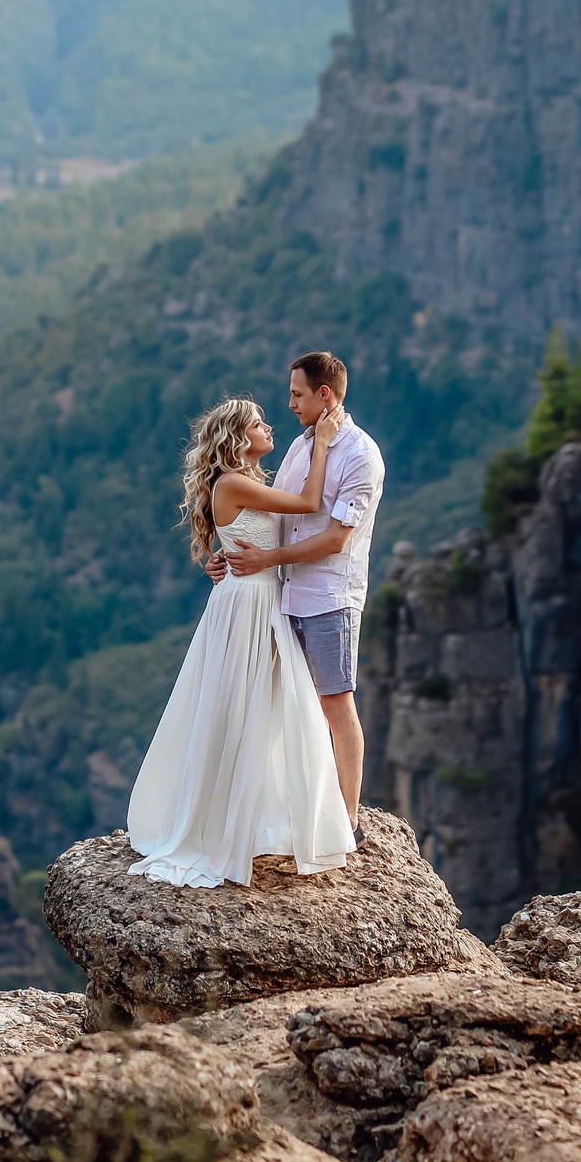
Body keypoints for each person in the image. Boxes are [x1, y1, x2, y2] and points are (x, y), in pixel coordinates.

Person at [125, 394, 357, 887]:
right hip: (249, 603)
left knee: (266, 706)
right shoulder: (234, 482)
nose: (269, 426)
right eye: (259, 423)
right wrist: (323, 445)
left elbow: (244, 538)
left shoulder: (245, 482)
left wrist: (221, 558)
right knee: (244, 706)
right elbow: (310, 504)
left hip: (256, 598)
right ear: (237, 437)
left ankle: (254, 819)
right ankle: (228, 823)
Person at [207, 352, 379, 830]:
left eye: (297, 394)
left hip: (328, 597)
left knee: (334, 702)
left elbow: (337, 538)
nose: (289, 404)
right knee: (286, 703)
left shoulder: (360, 455)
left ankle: (345, 817)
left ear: (325, 394)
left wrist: (264, 559)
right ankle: (291, 806)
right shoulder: (303, 447)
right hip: (281, 598)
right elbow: (280, 522)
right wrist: (231, 553)